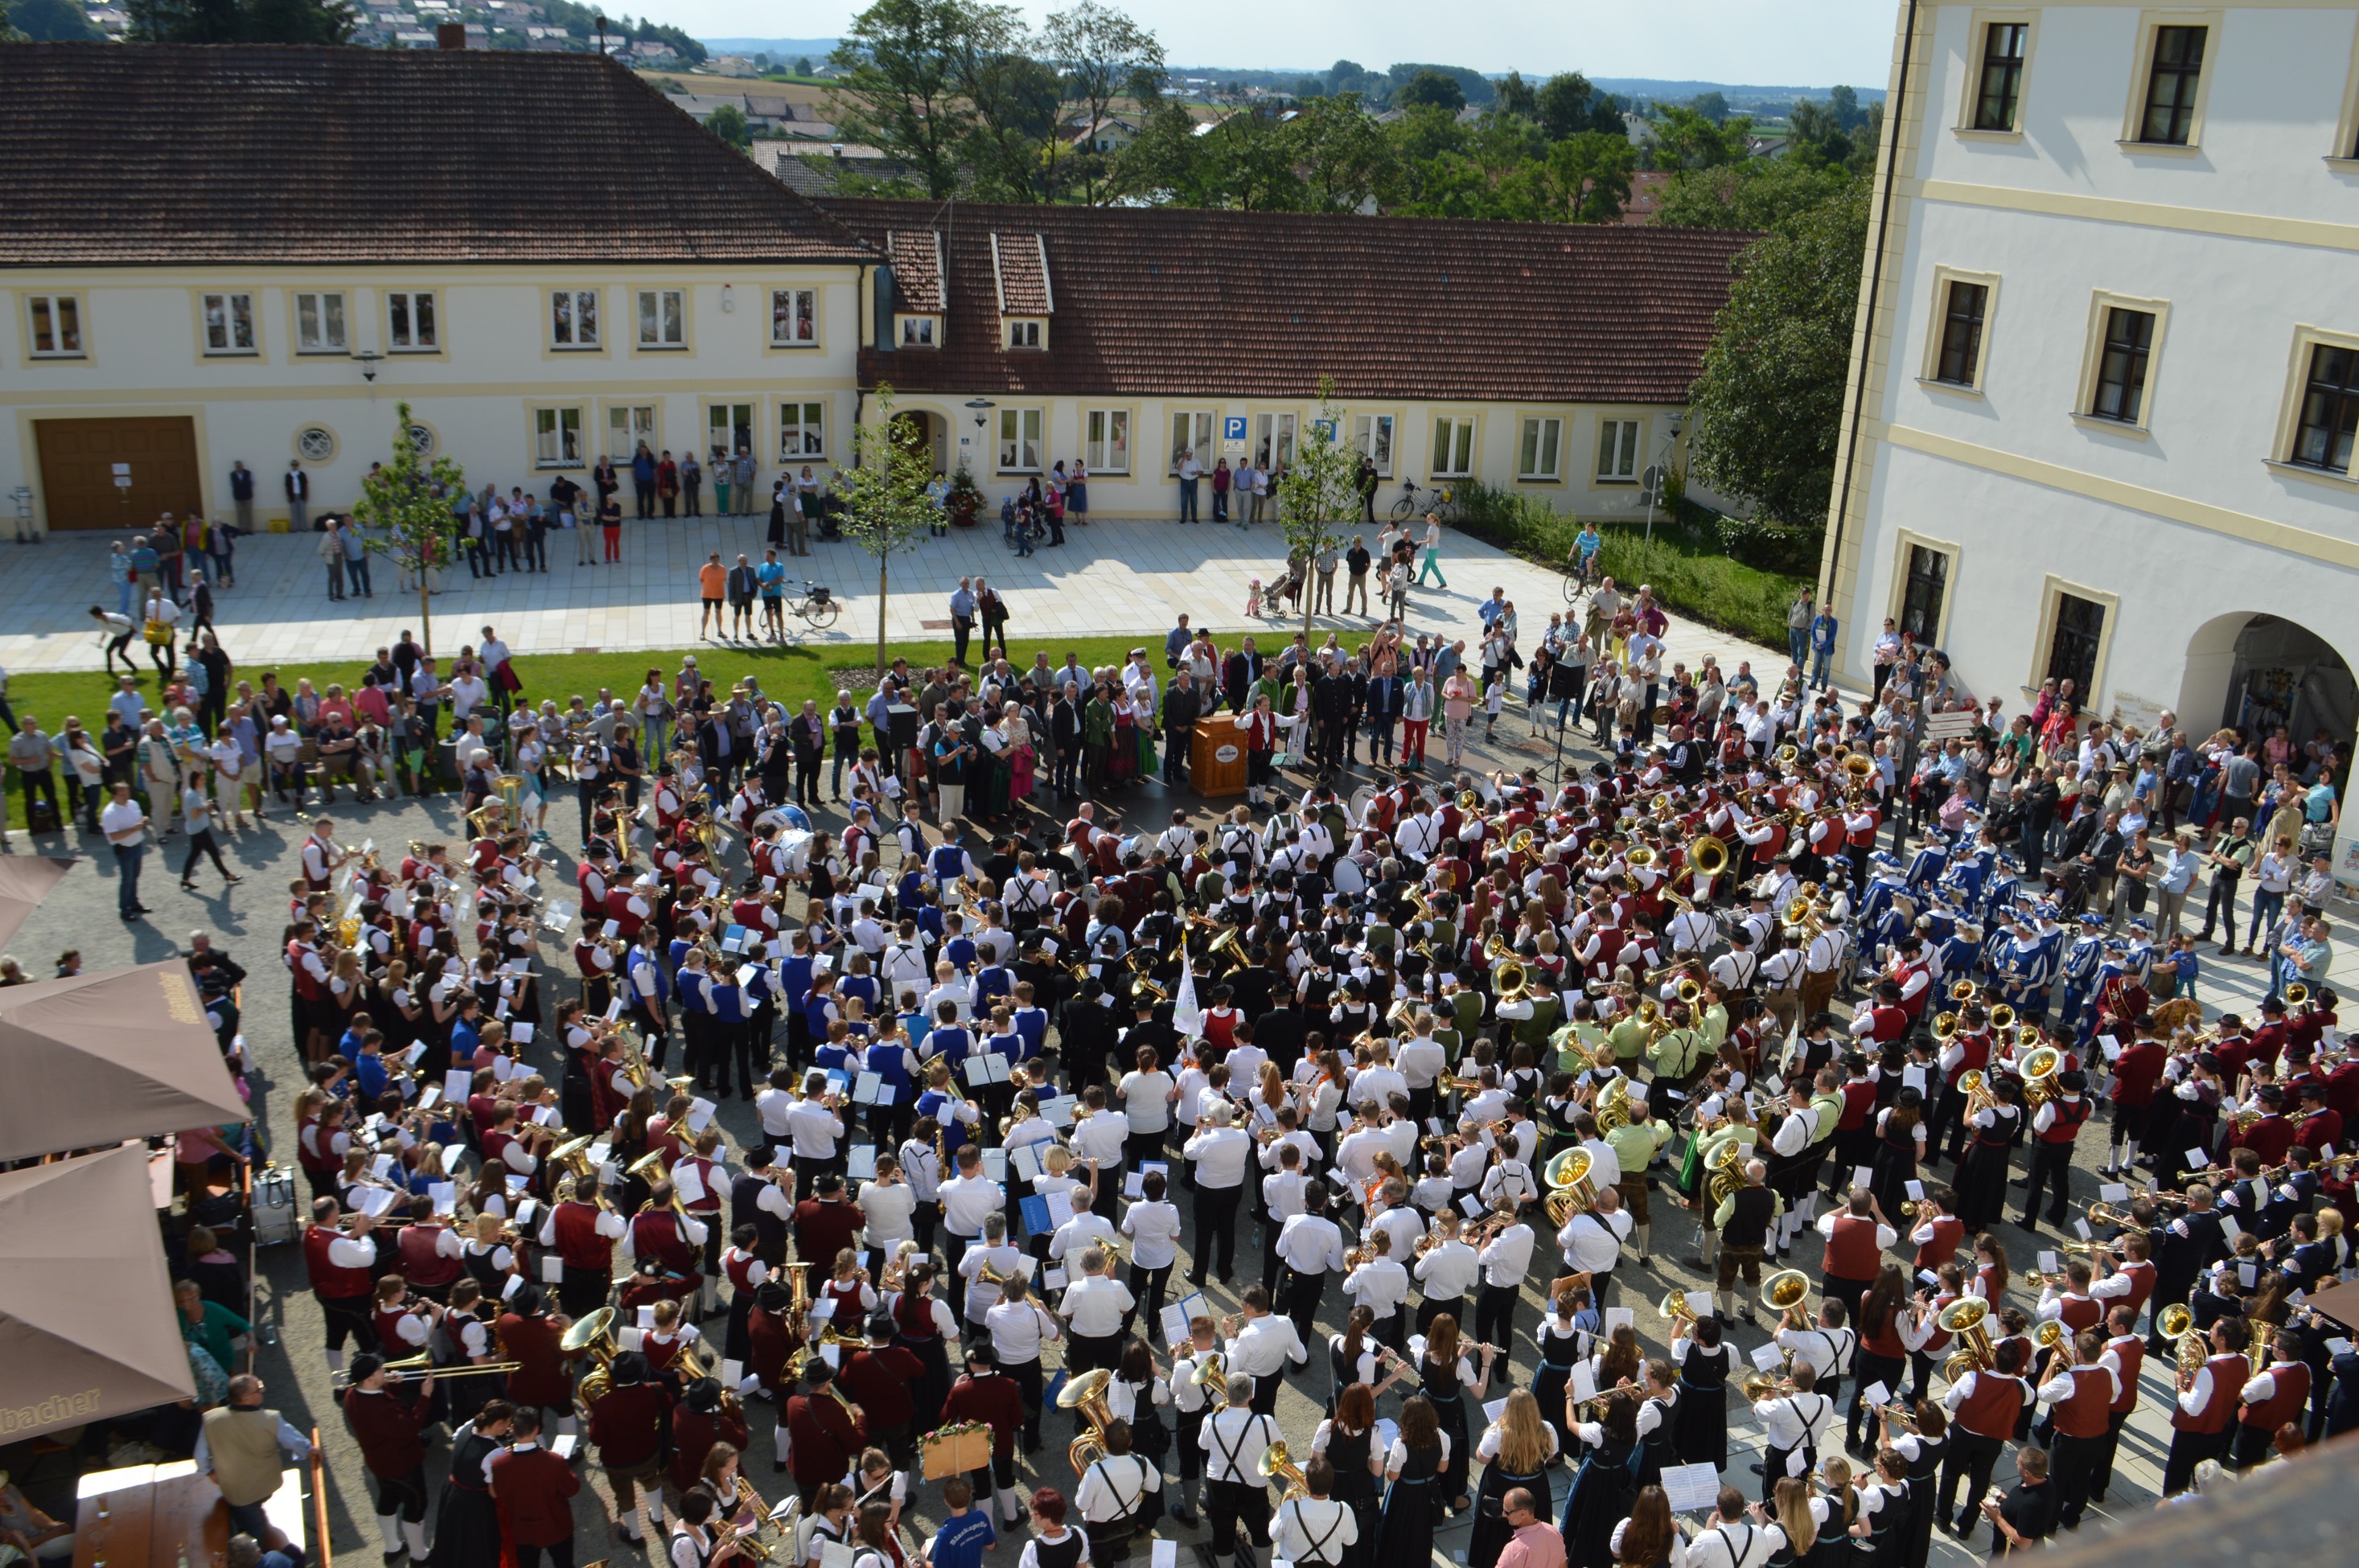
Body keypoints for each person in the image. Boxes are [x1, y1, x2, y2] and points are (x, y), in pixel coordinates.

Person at [197, 1375, 313, 1540]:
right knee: (260, 1538)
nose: (262, 1391)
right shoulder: (271, 1419)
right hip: (268, 1484)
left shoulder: (211, 1419)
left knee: (252, 1526)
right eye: (258, 1389)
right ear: (246, 1399)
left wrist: (209, 1472)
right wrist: (310, 1450)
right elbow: (296, 1442)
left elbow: (200, 1454)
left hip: (237, 1494)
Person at [488, 1406, 580, 1568]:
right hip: (556, 1526)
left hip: (522, 1531)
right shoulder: (554, 1461)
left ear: (512, 1429)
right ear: (536, 1430)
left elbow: (500, 1495)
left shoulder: (499, 1465)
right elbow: (572, 1489)